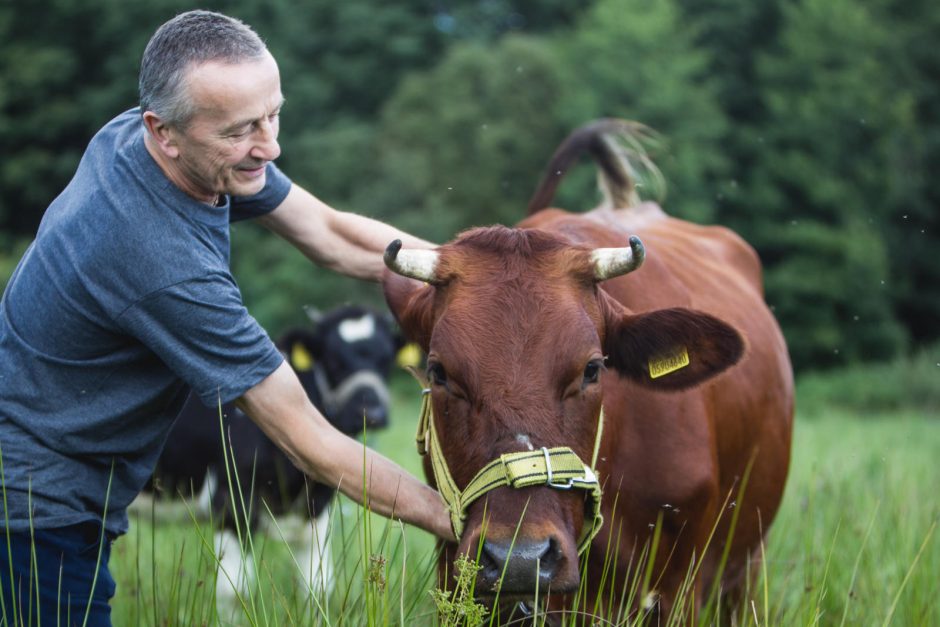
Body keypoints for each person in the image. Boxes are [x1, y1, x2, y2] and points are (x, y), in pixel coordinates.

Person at [0, 10, 453, 625]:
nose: (270, 145)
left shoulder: (141, 140)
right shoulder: (159, 261)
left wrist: (468, 274)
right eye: (242, 130)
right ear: (165, 132)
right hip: (35, 508)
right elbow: (310, 440)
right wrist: (459, 516)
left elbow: (328, 232)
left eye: (274, 114)